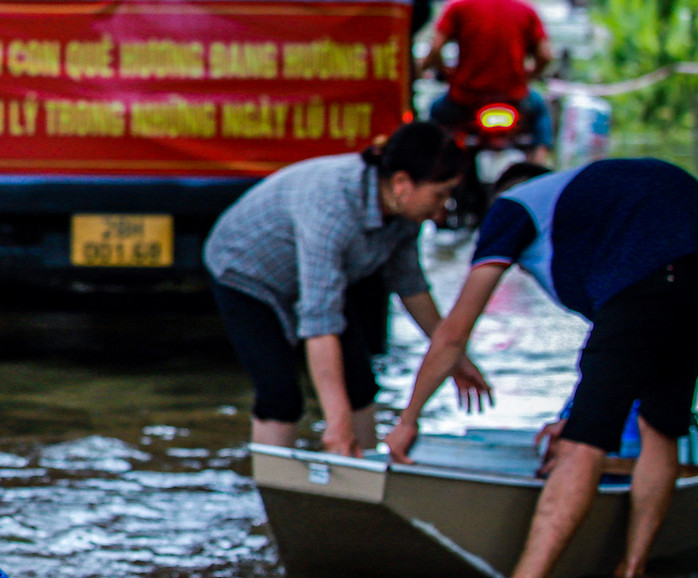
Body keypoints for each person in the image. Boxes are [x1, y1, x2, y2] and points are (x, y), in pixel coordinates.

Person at [384, 158, 698, 578]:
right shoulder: (596, 215)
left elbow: (453, 332)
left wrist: (408, 419)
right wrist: (576, 412)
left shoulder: (512, 208)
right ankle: (632, 571)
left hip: (653, 271)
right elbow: (625, 356)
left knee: (583, 444)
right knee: (660, 423)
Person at [204, 122, 493, 456]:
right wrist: (337, 425)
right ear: (402, 183)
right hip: (247, 274)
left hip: (317, 277)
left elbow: (410, 285)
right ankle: (274, 482)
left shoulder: (404, 215)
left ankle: (362, 473)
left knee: (359, 384)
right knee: (280, 395)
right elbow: (320, 322)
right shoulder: (333, 206)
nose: (444, 208)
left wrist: (454, 356)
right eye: (439, 195)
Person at [418, 0, 554, 159]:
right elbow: (546, 55)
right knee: (540, 112)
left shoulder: (459, 3)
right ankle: (539, 165)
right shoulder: (525, 7)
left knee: (435, 114)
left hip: (465, 100)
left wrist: (444, 71)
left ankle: (436, 168)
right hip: (514, 98)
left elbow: (434, 50)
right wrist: (528, 76)